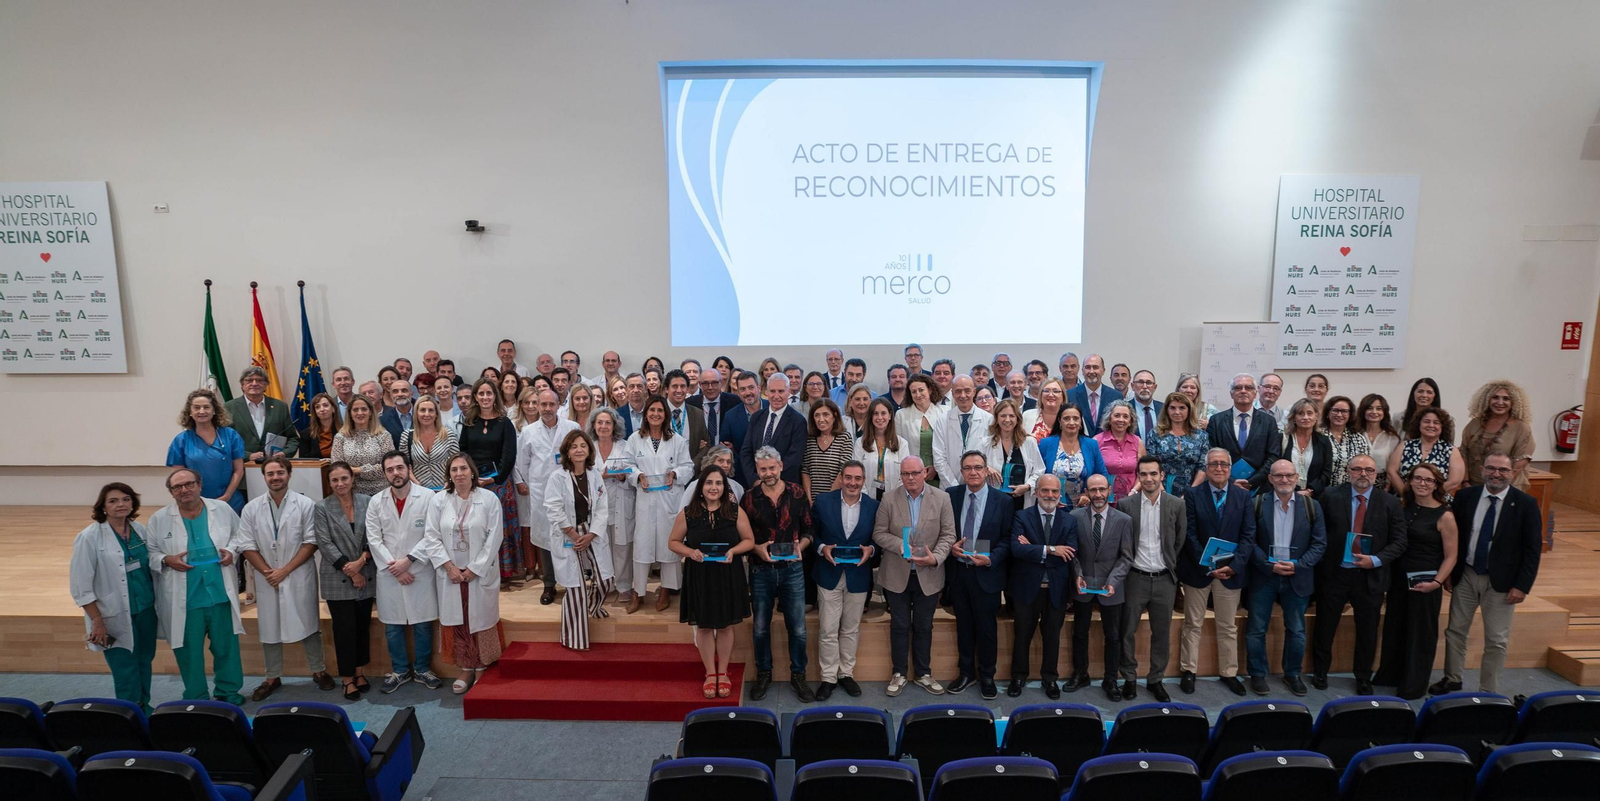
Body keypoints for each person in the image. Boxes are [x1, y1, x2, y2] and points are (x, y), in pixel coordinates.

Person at [1431, 451, 1543, 696]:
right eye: (1491, 468)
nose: (1496, 474)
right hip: (1467, 574)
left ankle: (1488, 690)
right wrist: (1449, 572)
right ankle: (1452, 678)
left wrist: (1522, 585)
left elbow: (1532, 550)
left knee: (1496, 640)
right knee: (1456, 630)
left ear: (1512, 473)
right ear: (1482, 470)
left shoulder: (1526, 504)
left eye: (1503, 470)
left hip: (1502, 582)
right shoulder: (1465, 497)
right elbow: (1452, 539)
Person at [145, 467, 246, 704]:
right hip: (186, 598)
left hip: (220, 594)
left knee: (226, 649)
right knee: (189, 654)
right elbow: (150, 553)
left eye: (189, 484)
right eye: (177, 487)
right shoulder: (159, 519)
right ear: (171, 493)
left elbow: (240, 536)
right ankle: (197, 696)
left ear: (200, 485)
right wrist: (167, 560)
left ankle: (228, 693)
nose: (184, 490)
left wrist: (231, 551)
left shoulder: (221, 509)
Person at [233, 455, 330, 700]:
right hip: (268, 578)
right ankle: (272, 677)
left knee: (308, 624)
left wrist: (284, 571)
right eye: (270, 474)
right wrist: (268, 572)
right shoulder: (251, 508)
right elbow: (246, 543)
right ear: (263, 477)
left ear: (289, 474)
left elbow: (311, 541)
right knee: (269, 627)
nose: (275, 477)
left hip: (297, 575)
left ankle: (318, 671)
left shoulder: (305, 505)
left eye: (280, 473)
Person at [1310, 454, 1405, 694]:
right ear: (1348, 471)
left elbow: (1399, 542)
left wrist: (1374, 560)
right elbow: (1317, 532)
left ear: (1376, 474)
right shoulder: (1331, 496)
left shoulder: (1390, 503)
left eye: (1369, 470)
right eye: (1358, 469)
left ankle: (1363, 676)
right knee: (1325, 626)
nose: (1364, 474)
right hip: (1335, 573)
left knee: (1368, 630)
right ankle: (1320, 672)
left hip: (1370, 577)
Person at [71, 482, 159, 714]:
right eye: (113, 501)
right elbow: (80, 585)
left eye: (126, 499)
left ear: (133, 503)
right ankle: (130, 714)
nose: (121, 504)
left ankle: (144, 707)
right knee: (124, 668)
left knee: (144, 660)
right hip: (113, 613)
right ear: (103, 507)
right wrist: (97, 621)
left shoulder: (139, 529)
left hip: (145, 609)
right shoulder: (89, 537)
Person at [872, 455, 956, 696]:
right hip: (896, 573)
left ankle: (923, 673)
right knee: (899, 625)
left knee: (923, 626)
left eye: (915, 473)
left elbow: (949, 535)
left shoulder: (942, 498)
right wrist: (899, 545)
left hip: (928, 573)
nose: (910, 478)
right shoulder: (889, 498)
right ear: (900, 476)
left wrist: (935, 558)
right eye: (906, 474)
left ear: (925, 473)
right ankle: (898, 673)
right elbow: (879, 533)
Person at [1374, 462, 1458, 699]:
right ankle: (1390, 676)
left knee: (1420, 634)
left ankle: (1413, 685)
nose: (1422, 484)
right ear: (1410, 481)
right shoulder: (1403, 507)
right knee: (1396, 627)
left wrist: (1438, 582)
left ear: (1436, 485)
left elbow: (1451, 555)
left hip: (1426, 581)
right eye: (1418, 479)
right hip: (1399, 579)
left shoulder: (1445, 514)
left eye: (1428, 480)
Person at [671, 465, 754, 699]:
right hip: (700, 575)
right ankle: (710, 673)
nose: (713, 487)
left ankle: (723, 672)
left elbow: (749, 540)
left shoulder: (735, 511)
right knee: (705, 626)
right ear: (701, 487)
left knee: (726, 625)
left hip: (728, 574)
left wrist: (734, 551)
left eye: (718, 483)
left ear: (724, 487)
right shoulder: (688, 513)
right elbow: (674, 542)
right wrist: (690, 552)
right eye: (709, 483)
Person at [1245, 459, 1327, 696]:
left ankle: (1293, 674)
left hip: (1297, 575)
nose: (1284, 480)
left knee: (1297, 630)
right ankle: (1258, 675)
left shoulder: (1312, 506)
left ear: (1296, 477)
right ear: (1270, 479)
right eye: (1279, 475)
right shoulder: (1257, 503)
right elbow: (1248, 541)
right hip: (1264, 575)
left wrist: (1299, 565)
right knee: (1256, 629)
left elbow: (1320, 544)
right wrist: (1267, 565)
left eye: (1289, 475)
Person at [1179, 448, 1256, 696]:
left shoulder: (1243, 497)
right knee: (1193, 624)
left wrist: (1234, 566)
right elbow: (1188, 534)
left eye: (1223, 464)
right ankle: (1188, 671)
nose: (1219, 468)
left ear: (1231, 468)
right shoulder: (1193, 494)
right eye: (1213, 464)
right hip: (1198, 571)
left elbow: (1248, 535)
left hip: (1230, 572)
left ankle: (1229, 672)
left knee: (1227, 626)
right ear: (1207, 467)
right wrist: (1207, 565)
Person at [741, 446, 816, 701]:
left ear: (781, 466)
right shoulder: (749, 497)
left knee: (798, 628)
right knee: (760, 627)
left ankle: (799, 675)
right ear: (757, 470)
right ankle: (764, 673)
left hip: (792, 569)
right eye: (763, 469)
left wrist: (800, 548)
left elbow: (808, 531)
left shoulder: (797, 493)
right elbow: (742, 537)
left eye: (772, 467)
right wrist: (756, 548)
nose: (768, 473)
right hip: (760, 569)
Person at [364, 451, 442, 692]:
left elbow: (433, 534)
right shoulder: (376, 501)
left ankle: (422, 669)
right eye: (390, 470)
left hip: (419, 569)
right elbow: (374, 539)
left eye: (399, 468)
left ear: (409, 468)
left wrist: (408, 561)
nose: (395, 473)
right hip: (390, 573)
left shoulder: (429, 497)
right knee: (393, 625)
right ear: (384, 473)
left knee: (422, 623)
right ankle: (399, 671)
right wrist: (396, 568)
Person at [1114, 457, 1186, 701]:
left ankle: (1156, 679)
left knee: (1161, 632)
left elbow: (1179, 541)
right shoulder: (1126, 505)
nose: (1149, 479)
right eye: (1143, 474)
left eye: (1153, 474)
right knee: (1128, 631)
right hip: (1135, 577)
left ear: (1162, 475)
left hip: (1165, 579)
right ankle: (1130, 678)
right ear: (1138, 476)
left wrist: (1170, 568)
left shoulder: (1176, 504)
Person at [943, 451, 1013, 699]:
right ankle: (965, 673)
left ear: (986, 471)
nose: (973, 472)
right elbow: (943, 530)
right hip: (959, 572)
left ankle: (986, 675)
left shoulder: (1003, 500)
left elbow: (1007, 539)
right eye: (968, 468)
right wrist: (949, 547)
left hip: (987, 573)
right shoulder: (951, 496)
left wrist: (992, 557)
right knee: (964, 627)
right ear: (961, 472)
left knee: (986, 628)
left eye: (978, 467)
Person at [1006, 474, 1078, 698]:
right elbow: (1017, 550)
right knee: (1022, 635)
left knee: (1052, 636)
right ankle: (1018, 676)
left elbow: (1070, 553)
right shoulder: (1022, 517)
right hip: (1027, 588)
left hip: (1056, 589)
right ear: (1036, 492)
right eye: (1045, 490)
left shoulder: (1070, 520)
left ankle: (1050, 678)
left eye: (1055, 491)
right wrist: (1052, 549)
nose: (1050, 495)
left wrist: (1036, 549)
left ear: (1060, 494)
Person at [811, 461, 878, 700]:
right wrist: (821, 548)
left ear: (864, 480)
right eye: (848, 477)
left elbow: (878, 538)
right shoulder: (822, 501)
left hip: (858, 576)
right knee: (828, 629)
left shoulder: (873, 506)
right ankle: (828, 677)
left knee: (851, 628)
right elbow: (812, 533)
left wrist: (871, 549)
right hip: (828, 573)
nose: (852, 482)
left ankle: (846, 674)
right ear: (841, 478)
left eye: (857, 478)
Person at [543, 432, 614, 651]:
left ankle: (593, 605)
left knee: (605, 579)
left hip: (591, 531)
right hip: (568, 533)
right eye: (574, 446)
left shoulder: (594, 475)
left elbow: (602, 507)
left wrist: (591, 534)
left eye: (583, 445)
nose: (579, 450)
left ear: (589, 450)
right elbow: (553, 509)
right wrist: (574, 535)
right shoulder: (557, 477)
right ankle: (573, 639)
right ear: (567, 452)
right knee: (575, 589)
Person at [313, 462, 376, 700]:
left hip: (366, 572)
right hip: (337, 576)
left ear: (352, 479)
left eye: (344, 479)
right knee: (344, 630)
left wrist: (362, 561)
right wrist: (351, 570)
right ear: (329, 483)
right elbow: (324, 543)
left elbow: (375, 534)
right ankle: (347, 679)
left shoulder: (367, 502)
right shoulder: (322, 507)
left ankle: (360, 672)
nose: (340, 484)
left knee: (362, 628)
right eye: (335, 480)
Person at [1067, 474, 1134, 701]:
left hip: (1111, 588)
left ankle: (1111, 679)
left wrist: (1113, 581)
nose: (1097, 495)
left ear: (1109, 491)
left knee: (1113, 636)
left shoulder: (1124, 520)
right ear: (1086, 491)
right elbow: (1071, 552)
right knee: (1079, 633)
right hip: (1083, 586)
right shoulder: (1074, 517)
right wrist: (1077, 574)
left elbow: (1126, 558)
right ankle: (1080, 674)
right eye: (1093, 490)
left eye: (1102, 490)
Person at [515, 388, 581, 603]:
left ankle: (573, 583)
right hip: (541, 493)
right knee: (545, 538)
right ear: (537, 406)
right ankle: (549, 584)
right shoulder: (529, 431)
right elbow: (522, 463)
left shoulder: (572, 428)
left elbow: (581, 457)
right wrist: (530, 483)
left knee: (570, 535)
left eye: (551, 404)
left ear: (558, 404)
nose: (547, 409)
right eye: (542, 404)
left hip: (568, 491)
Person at [629, 396, 694, 612]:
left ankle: (666, 590)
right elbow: (628, 465)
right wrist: (638, 475)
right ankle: (637, 593)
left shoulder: (677, 440)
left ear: (665, 415)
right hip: (646, 500)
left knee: (669, 546)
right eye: (652, 410)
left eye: (660, 410)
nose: (655, 414)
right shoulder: (634, 439)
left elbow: (689, 467)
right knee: (642, 546)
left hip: (669, 499)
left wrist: (675, 473)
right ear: (645, 414)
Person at [458, 378, 519, 587]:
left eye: (489, 393)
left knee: (496, 530)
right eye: (481, 393)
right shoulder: (469, 422)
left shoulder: (505, 423)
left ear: (495, 396)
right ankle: (475, 569)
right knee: (476, 529)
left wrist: (494, 479)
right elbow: (463, 452)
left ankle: (503, 573)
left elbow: (509, 456)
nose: (485, 397)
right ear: (475, 396)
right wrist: (472, 478)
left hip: (499, 484)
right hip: (473, 484)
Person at [589, 408, 638, 613]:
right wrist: (604, 474)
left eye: (607, 423)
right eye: (599, 423)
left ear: (614, 425)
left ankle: (624, 586)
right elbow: (585, 474)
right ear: (594, 426)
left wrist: (623, 476)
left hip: (622, 500)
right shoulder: (588, 447)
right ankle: (605, 583)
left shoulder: (625, 446)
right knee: (601, 546)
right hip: (598, 504)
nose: (603, 427)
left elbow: (633, 471)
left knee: (622, 546)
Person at [168, 388, 246, 513]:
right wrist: (194, 499)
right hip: (195, 503)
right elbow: (179, 478)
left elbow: (239, 470)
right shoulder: (181, 441)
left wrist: (227, 496)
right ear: (190, 411)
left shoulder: (230, 435)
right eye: (197, 407)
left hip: (230, 501)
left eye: (206, 407)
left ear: (214, 410)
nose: (202, 411)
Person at [1207, 373, 1280, 492]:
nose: (1243, 391)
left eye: (1248, 387)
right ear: (1231, 393)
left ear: (1255, 393)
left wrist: (1251, 482)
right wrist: (1230, 481)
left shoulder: (1269, 422)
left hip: (1259, 489)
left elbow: (1273, 456)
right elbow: (1210, 454)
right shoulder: (1216, 420)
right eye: (1238, 388)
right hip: (1224, 486)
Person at [1461, 380, 1535, 490]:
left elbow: (1520, 463)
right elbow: (1463, 454)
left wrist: (1497, 488)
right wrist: (1465, 482)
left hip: (1506, 487)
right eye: (1495, 397)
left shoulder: (1521, 428)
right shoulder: (1475, 423)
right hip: (1474, 485)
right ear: (1487, 400)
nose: (1500, 402)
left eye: (1506, 398)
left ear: (1513, 402)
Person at [740, 373, 807, 486]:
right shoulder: (756, 417)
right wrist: (755, 480)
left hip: (784, 488)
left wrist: (770, 480)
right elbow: (746, 451)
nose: (776, 396)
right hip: (756, 486)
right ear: (766, 392)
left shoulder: (798, 421)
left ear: (788, 392)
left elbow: (794, 458)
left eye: (781, 391)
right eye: (772, 391)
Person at [1037, 406, 1110, 508]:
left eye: (1075, 418)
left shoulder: (1091, 445)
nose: (1071, 422)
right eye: (1066, 418)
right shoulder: (1046, 444)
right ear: (1059, 421)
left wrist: (1088, 494)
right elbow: (1037, 474)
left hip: (1083, 507)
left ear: (1081, 422)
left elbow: (1102, 474)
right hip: (1051, 505)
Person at [225, 366, 300, 463]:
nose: (254, 383)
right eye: (249, 380)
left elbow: (293, 439)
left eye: (260, 380)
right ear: (242, 385)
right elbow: (224, 441)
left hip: (275, 467)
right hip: (242, 468)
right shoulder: (229, 407)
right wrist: (248, 455)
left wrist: (284, 453)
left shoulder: (280, 407)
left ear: (265, 385)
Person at [980, 398, 1044, 510]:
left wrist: (1028, 486)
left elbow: (1039, 470)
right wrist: (986, 467)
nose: (1007, 420)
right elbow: (975, 465)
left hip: (1021, 501)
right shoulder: (986, 443)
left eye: (1011, 416)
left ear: (1018, 419)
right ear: (996, 418)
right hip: (994, 502)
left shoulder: (1029, 442)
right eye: (1003, 416)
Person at [1388, 406, 1467, 495]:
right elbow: (1392, 471)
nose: (1431, 425)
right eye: (1426, 421)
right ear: (1419, 424)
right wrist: (1406, 495)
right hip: (1404, 500)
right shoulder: (1404, 446)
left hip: (1437, 501)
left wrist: (1429, 497)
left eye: (1436, 422)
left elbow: (1454, 481)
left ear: (1442, 427)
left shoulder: (1451, 450)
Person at [933, 376, 994, 488]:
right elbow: (939, 458)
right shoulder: (942, 420)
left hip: (980, 485)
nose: (963, 395)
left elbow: (991, 456)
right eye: (958, 391)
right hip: (949, 485)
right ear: (952, 393)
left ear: (974, 391)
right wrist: (954, 486)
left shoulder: (989, 420)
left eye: (967, 391)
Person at [1147, 392, 1209, 499]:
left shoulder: (1201, 435)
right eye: (1172, 408)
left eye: (1182, 408)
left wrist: (1191, 493)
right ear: (1166, 410)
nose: (1177, 412)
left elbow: (1203, 467)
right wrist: (1162, 492)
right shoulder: (1155, 434)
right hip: (1160, 489)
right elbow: (1151, 464)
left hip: (1193, 490)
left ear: (1189, 410)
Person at [331, 395, 395, 497]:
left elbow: (388, 466)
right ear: (350, 413)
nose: (360, 413)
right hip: (352, 493)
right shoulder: (340, 437)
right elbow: (337, 468)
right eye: (355, 410)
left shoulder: (384, 435)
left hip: (381, 493)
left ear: (370, 412)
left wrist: (358, 470)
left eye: (364, 409)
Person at [855, 397, 911, 501]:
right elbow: (856, 473)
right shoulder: (860, 443)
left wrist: (894, 499)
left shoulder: (902, 444)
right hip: (866, 497)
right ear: (871, 416)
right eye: (875, 413)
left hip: (895, 499)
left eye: (883, 413)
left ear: (890, 415)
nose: (879, 417)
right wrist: (865, 498)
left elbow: (905, 475)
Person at [895, 374, 946, 487]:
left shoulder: (944, 412)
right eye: (914, 392)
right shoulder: (901, 415)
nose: (918, 394)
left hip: (940, 473)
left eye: (921, 390)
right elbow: (898, 448)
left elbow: (949, 446)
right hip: (912, 475)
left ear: (930, 390)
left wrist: (936, 468)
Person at [400, 397, 458, 492]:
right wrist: (416, 484)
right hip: (418, 490)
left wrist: (449, 482)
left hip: (445, 489)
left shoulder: (448, 435)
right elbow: (404, 465)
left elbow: (456, 463)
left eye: (431, 410)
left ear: (436, 414)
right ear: (416, 413)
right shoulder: (406, 436)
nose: (427, 414)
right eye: (422, 410)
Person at [721, 371, 767, 486]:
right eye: (743, 389)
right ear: (738, 392)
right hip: (743, 478)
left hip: (772, 474)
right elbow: (726, 447)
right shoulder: (730, 416)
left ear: (759, 388)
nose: (747, 393)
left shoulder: (772, 408)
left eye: (751, 387)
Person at [802, 398, 853, 502]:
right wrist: (809, 499)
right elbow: (805, 470)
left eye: (826, 414)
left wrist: (826, 500)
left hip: (835, 499)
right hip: (812, 500)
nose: (821, 419)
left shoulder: (844, 437)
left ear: (834, 416)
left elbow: (843, 471)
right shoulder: (810, 438)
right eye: (817, 415)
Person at [1280, 398, 1333, 498]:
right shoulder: (1282, 439)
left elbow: (1326, 472)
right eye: (1301, 413)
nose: (1306, 417)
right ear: (1294, 417)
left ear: (1316, 416)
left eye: (1310, 413)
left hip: (1315, 498)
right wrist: (1295, 491)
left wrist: (1310, 491)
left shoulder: (1324, 441)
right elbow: (1276, 468)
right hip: (1285, 494)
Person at [1095, 400, 1145, 499]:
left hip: (1131, 498)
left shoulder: (1137, 442)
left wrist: (1134, 492)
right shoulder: (1097, 441)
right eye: (1117, 415)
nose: (1121, 420)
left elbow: (1143, 472)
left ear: (1130, 421)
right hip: (1103, 498)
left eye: (1126, 416)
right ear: (1109, 419)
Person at [1320, 395, 1371, 489]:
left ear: (1350, 414)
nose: (1339, 415)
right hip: (1322, 491)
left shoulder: (1358, 438)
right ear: (1328, 412)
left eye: (1344, 411)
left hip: (1350, 492)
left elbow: (1364, 467)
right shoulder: (1318, 436)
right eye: (1335, 410)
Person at [663, 370, 710, 463]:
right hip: (663, 470)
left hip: (691, 471)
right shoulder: (658, 412)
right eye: (674, 386)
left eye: (683, 386)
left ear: (687, 389)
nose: (679, 390)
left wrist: (691, 467)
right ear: (666, 389)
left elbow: (706, 445)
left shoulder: (697, 414)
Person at [1357, 393, 1402, 491]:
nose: (1374, 412)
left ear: (1384, 412)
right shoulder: (1355, 434)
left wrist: (1387, 487)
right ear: (1363, 411)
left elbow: (1394, 468)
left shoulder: (1392, 438)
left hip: (1382, 486)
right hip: (1355, 482)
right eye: (1369, 408)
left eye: (1379, 408)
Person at [1067, 355, 1123, 432]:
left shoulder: (1116, 396)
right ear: (1082, 371)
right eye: (1088, 367)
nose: (1091, 371)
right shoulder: (1070, 395)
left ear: (1103, 370)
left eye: (1095, 367)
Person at [688, 367, 738, 443]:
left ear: (721, 382)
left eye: (714, 383)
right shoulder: (690, 404)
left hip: (725, 452)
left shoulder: (735, 402)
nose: (710, 387)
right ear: (700, 384)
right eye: (705, 383)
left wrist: (733, 447)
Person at [297, 392, 340, 461]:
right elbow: (304, 462)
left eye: (325, 405)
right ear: (315, 412)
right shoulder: (306, 434)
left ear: (333, 409)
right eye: (317, 407)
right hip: (316, 471)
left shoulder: (343, 431)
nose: (322, 409)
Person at [1127, 371, 1163, 441]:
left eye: (1149, 383)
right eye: (1140, 382)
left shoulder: (1164, 408)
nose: (1144, 386)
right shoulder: (1125, 409)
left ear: (1154, 387)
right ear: (1133, 386)